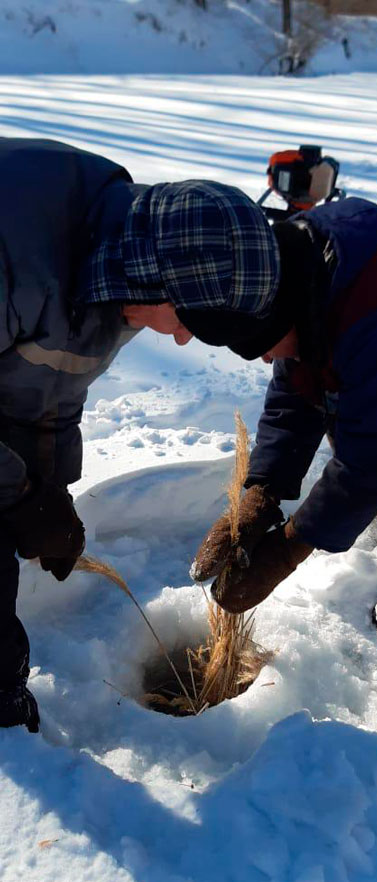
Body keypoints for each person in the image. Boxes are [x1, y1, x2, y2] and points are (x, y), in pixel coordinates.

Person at [0, 137, 277, 732]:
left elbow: (48, 383)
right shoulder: (16, 251)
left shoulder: (121, 263)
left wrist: (51, 490)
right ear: (157, 279)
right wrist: (19, 498)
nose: (180, 340)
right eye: (186, 319)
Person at [190, 193, 377, 635]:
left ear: (283, 322)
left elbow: (373, 459)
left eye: (264, 346)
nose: (267, 360)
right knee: (342, 407)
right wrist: (262, 491)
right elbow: (298, 395)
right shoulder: (304, 281)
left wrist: (289, 549)